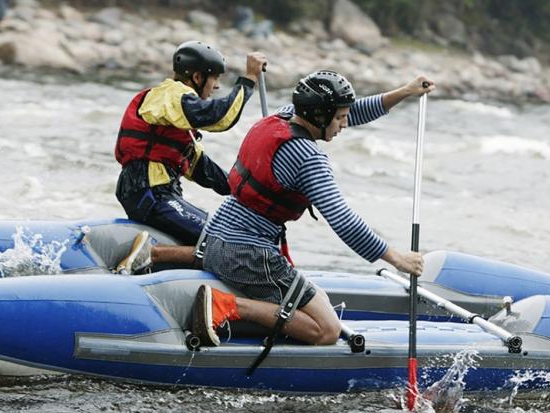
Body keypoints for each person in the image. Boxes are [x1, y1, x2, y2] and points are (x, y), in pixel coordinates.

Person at [192, 70, 434, 347]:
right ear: (320, 117)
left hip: (216, 237)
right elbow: (343, 221)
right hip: (246, 255)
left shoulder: (284, 116)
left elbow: (354, 113)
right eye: (340, 117)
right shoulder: (308, 158)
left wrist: (404, 92)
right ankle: (225, 306)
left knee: (317, 298)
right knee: (327, 329)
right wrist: (397, 259)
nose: (346, 123)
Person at [114, 41, 266, 274]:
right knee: (221, 239)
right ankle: (151, 256)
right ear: (197, 77)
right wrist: (249, 79)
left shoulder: (175, 118)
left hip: (154, 194)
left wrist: (249, 191)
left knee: (223, 234)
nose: (215, 87)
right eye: (214, 79)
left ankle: (151, 268)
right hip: (150, 192)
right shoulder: (171, 94)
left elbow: (203, 170)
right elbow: (219, 116)